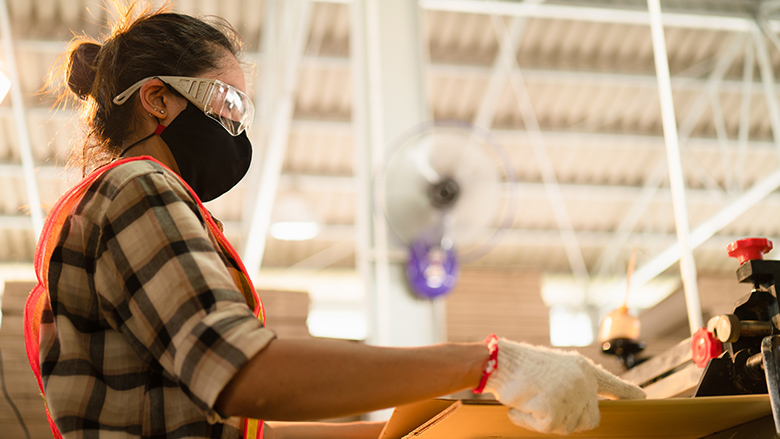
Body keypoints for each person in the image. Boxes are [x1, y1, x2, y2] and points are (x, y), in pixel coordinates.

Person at [24, 3, 646, 439]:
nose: (237, 129)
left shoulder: (117, 204)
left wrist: (427, 427)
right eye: (228, 102)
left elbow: (242, 421)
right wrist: (487, 363)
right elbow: (246, 375)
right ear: (158, 98)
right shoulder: (140, 187)